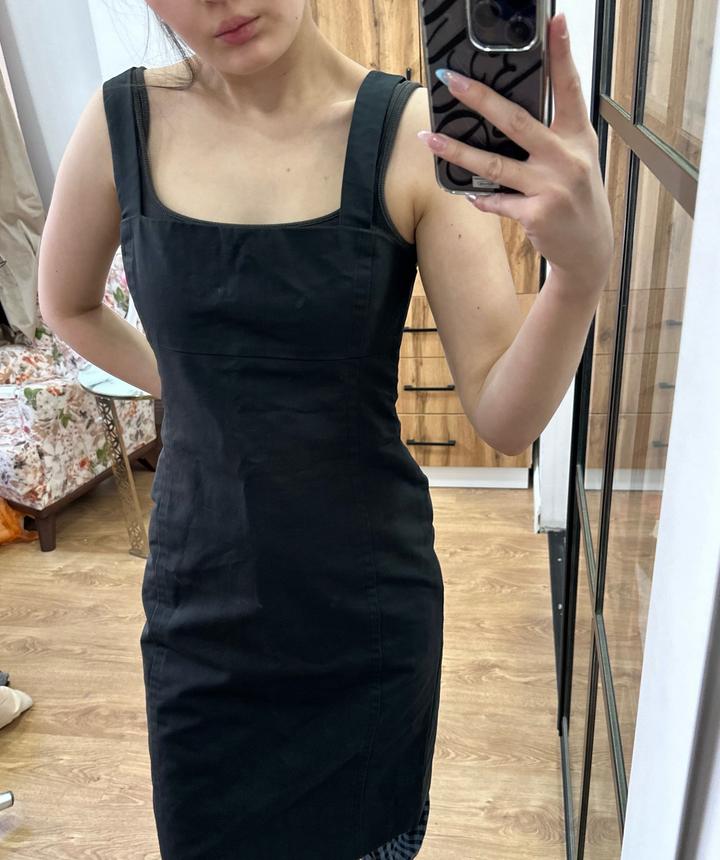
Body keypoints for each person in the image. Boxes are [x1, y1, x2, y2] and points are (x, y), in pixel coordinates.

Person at [37, 2, 613, 858]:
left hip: (363, 621)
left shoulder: (410, 135)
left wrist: (578, 274)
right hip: (202, 612)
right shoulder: (118, 120)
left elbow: (505, 414)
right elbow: (68, 304)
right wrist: (196, 390)